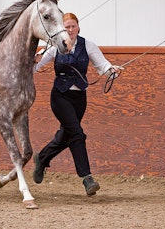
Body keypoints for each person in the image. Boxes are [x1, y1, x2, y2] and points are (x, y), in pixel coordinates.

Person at [33, 12, 123, 196]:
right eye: (67, 27)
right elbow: (36, 67)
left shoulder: (88, 45)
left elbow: (103, 66)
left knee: (67, 135)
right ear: (62, 29)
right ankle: (87, 178)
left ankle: (42, 158)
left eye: (73, 26)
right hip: (60, 97)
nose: (70, 30)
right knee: (77, 134)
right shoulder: (54, 47)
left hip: (79, 98)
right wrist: (32, 61)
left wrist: (112, 70)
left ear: (78, 27)